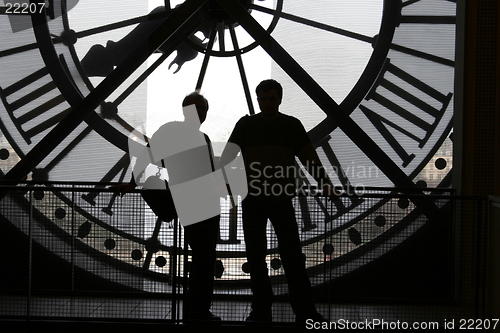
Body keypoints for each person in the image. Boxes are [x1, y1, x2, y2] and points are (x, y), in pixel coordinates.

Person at [221, 79, 338, 323]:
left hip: (253, 198)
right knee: (292, 256)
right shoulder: (292, 126)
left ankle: (262, 310)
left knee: (255, 255)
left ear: (275, 99)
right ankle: (304, 311)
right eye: (265, 99)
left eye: (268, 99)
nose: (266, 103)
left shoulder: (245, 125)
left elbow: (228, 157)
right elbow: (309, 159)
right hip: (281, 198)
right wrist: (324, 184)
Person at [114, 92, 221, 322]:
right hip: (204, 204)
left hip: (190, 204)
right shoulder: (204, 139)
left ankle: (196, 311)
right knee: (205, 260)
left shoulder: (170, 132)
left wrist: (132, 184)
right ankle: (199, 310)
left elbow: (147, 156)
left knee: (202, 258)